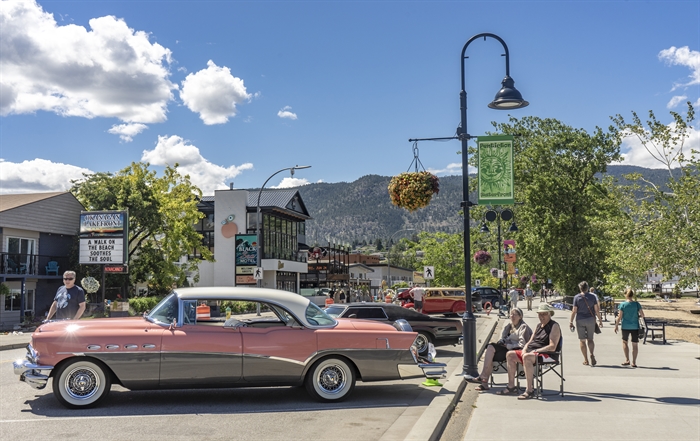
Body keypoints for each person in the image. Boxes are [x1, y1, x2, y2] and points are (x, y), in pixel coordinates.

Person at [497, 303, 561, 399]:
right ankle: (511, 386)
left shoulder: (554, 326)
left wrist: (535, 351)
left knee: (527, 357)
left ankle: (529, 390)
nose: (541, 316)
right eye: (540, 314)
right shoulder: (539, 325)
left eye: (544, 314)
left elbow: (552, 346)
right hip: (532, 352)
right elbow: (529, 341)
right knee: (510, 354)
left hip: (547, 354)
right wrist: (525, 349)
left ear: (549, 314)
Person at [467, 308, 532, 391]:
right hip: (506, 349)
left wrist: (509, 346)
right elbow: (504, 338)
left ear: (520, 316)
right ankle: (484, 382)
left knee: (490, 352)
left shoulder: (523, 327)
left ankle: (483, 379)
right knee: (490, 348)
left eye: (515, 314)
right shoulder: (509, 326)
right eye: (511, 314)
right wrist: (502, 341)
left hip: (515, 351)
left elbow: (523, 344)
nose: (512, 316)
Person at [570, 281, 603, 366]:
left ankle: (586, 359)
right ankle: (591, 353)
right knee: (590, 339)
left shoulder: (576, 297)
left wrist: (571, 321)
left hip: (580, 320)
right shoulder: (592, 297)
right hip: (590, 320)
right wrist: (600, 320)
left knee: (582, 340)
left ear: (580, 288)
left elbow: (574, 311)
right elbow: (596, 310)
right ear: (587, 288)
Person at [614, 288, 645, 367]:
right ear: (632, 295)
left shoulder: (622, 305)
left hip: (625, 326)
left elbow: (620, 317)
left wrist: (616, 325)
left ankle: (627, 359)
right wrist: (636, 316)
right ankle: (634, 362)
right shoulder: (637, 304)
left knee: (625, 342)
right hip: (635, 326)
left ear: (625, 295)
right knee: (635, 344)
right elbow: (642, 315)